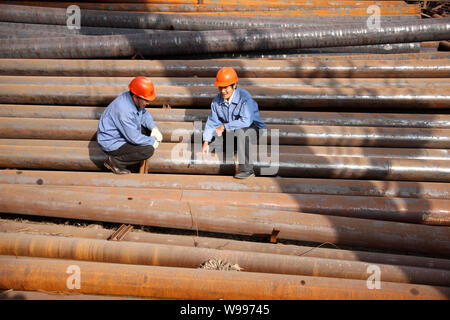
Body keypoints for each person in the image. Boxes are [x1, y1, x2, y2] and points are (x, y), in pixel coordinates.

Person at [201, 67, 266, 179]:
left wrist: (224, 126)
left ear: (234, 85)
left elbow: (246, 121)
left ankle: (247, 171)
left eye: (225, 87)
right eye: (220, 87)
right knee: (214, 143)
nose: (222, 91)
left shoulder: (244, 97)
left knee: (242, 132)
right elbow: (212, 122)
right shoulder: (217, 101)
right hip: (232, 128)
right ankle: (236, 146)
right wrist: (206, 142)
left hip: (252, 128)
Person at [97, 76, 162, 174]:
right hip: (112, 143)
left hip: (122, 134)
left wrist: (153, 128)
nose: (148, 103)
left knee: (148, 131)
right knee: (148, 150)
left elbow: (143, 114)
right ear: (136, 96)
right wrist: (152, 141)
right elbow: (134, 138)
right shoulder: (124, 111)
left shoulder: (132, 98)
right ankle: (114, 162)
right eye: (146, 100)